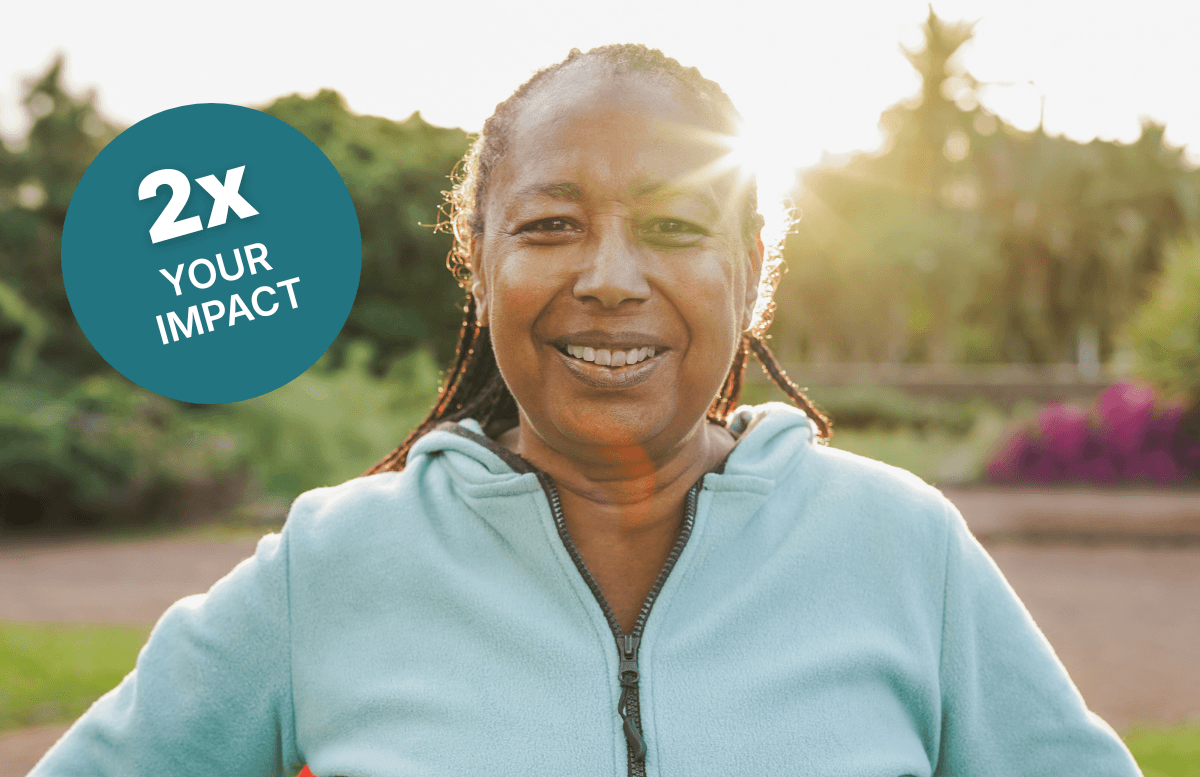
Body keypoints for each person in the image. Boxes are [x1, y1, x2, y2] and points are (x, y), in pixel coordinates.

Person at [32, 45, 1141, 777]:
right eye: (552, 225)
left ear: (751, 272)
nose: (610, 276)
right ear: (479, 263)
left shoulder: (903, 548)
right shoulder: (329, 566)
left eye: (671, 227)